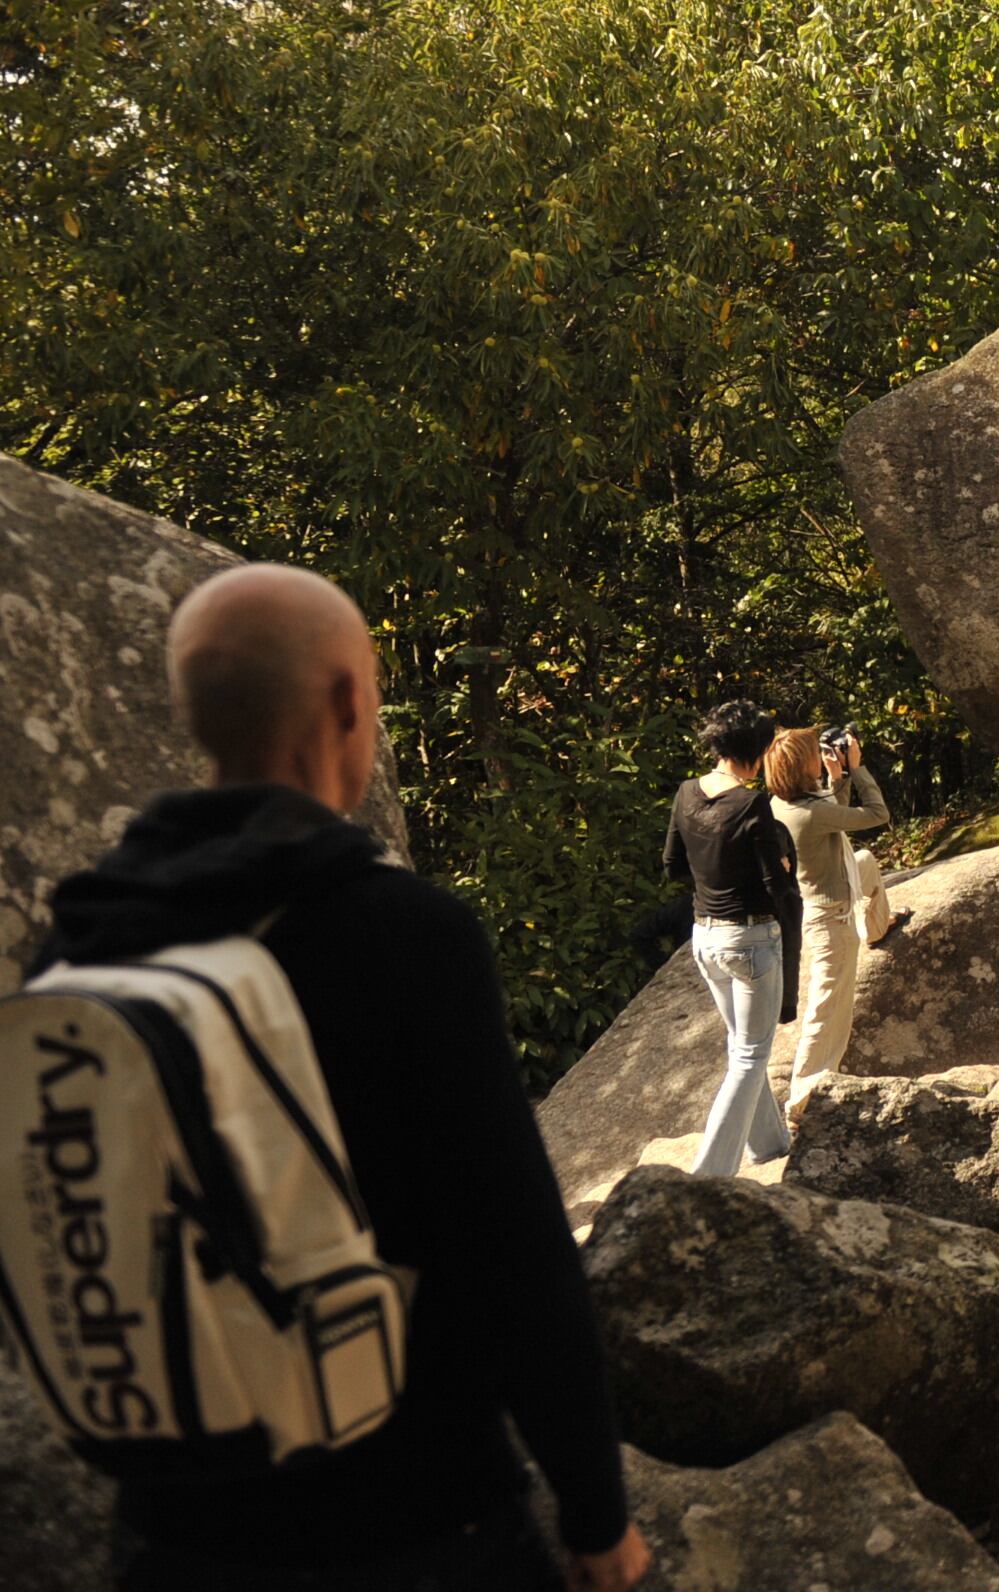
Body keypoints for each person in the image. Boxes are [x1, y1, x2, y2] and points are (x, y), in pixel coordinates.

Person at [39, 564, 648, 1592]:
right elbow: (518, 1257)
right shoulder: (405, 933)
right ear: (344, 703)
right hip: (411, 1516)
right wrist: (597, 1513)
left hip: (173, 1523)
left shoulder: (86, 936)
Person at [661, 699, 799, 1179]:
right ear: (757, 750)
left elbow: (674, 867)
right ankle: (709, 1177)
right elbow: (773, 886)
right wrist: (784, 871)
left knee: (741, 1043)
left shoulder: (685, 793)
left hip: (705, 939)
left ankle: (770, 1143)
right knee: (748, 1054)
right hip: (752, 940)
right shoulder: (751, 802)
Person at [764, 724, 890, 1103]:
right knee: (827, 1010)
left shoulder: (780, 804)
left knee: (865, 862)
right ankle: (801, 1099)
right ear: (803, 768)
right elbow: (876, 814)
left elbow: (831, 819)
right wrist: (857, 769)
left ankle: (877, 927)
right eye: (815, 756)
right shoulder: (812, 813)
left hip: (827, 893)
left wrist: (837, 780)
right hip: (830, 919)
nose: (821, 758)